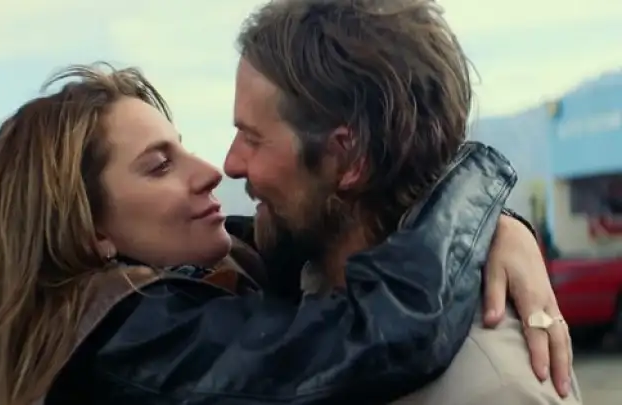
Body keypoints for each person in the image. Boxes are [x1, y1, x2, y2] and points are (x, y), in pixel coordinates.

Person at [0, 63, 569, 405]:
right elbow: (385, 335)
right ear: (89, 228)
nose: (212, 171)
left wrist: (502, 229)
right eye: (160, 166)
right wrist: (479, 184)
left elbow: (297, 232)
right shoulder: (127, 344)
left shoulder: (163, 292)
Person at [222, 0, 581, 404]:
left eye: (252, 138)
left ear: (348, 158)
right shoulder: (294, 285)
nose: (230, 164)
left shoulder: (492, 390)